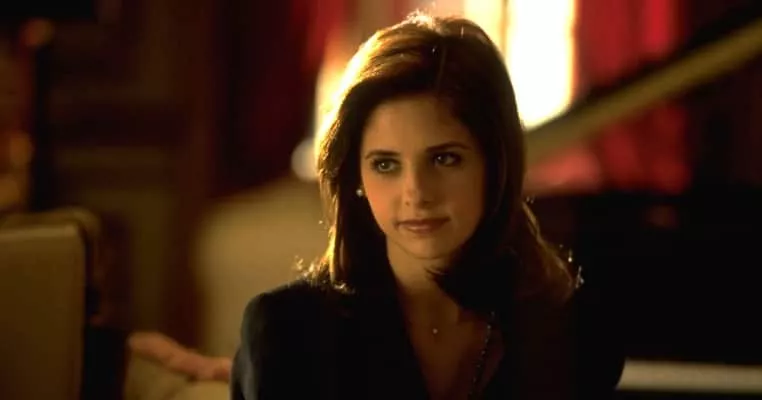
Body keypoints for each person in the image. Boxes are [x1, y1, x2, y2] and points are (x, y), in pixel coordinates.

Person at [231, 12, 624, 400]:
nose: (416, 192)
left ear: (495, 166)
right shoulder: (288, 334)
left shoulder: (571, 335)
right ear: (356, 179)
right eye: (386, 165)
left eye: (444, 159)